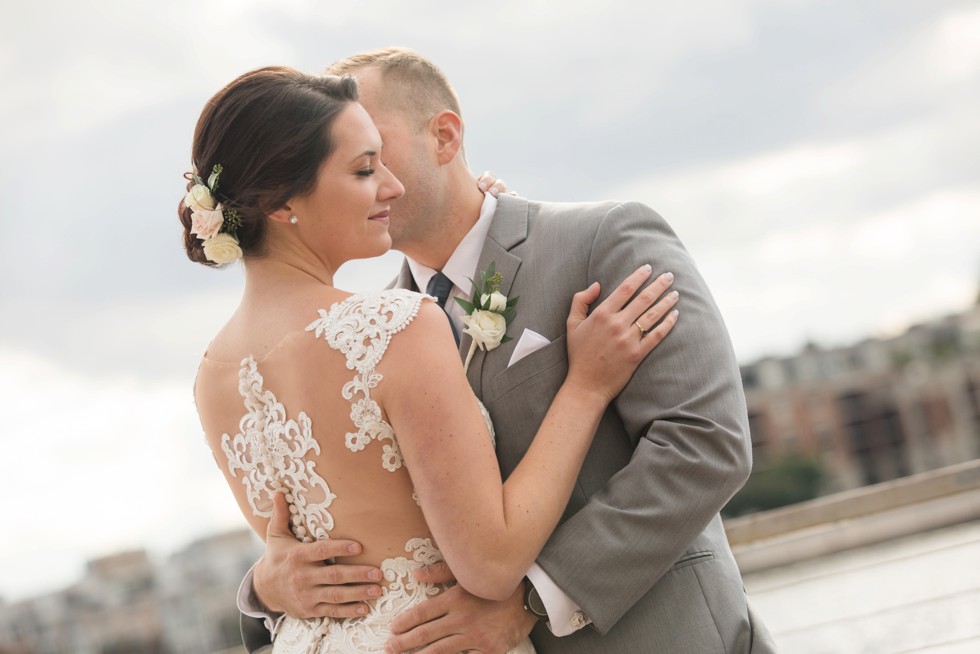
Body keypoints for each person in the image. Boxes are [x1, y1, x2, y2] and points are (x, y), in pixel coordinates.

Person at [239, 49, 777, 654]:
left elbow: (706, 443)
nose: (369, 178)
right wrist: (264, 586)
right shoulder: (367, 338)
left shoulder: (603, 241)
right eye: (346, 160)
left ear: (444, 137)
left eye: (373, 151)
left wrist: (534, 600)